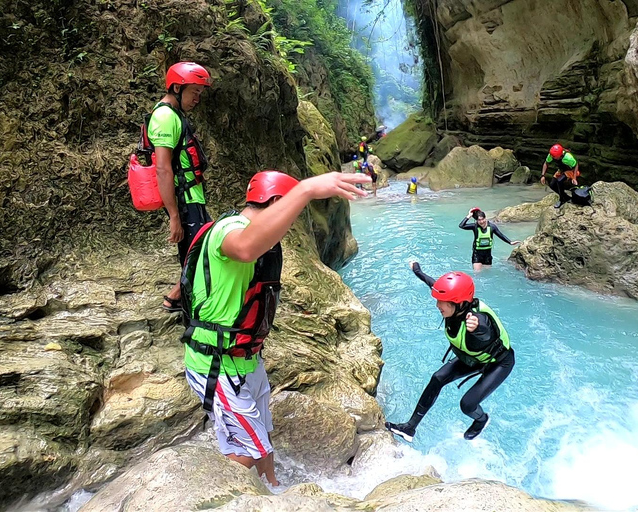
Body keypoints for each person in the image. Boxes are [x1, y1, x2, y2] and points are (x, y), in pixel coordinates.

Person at [182, 170, 370, 485]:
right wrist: (307, 190)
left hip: (243, 358)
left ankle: (271, 486)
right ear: (276, 202)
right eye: (288, 211)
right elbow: (244, 248)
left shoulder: (255, 235)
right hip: (215, 362)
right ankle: (214, 496)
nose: (288, 224)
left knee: (263, 431)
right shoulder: (230, 230)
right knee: (248, 449)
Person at [385, 262, 515, 442]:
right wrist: (417, 269)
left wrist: (477, 328)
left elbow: (485, 332)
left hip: (499, 362)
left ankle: (482, 420)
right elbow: (431, 282)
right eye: (438, 300)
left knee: (467, 405)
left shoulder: (477, 320)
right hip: (473, 358)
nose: (438, 305)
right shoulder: (455, 307)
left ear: (460, 303)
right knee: (437, 378)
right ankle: (409, 428)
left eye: (442, 302)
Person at [147, 62, 213, 312]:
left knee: (199, 248)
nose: (197, 99)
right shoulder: (165, 117)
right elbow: (162, 169)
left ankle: (178, 297)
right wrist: (174, 216)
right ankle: (182, 303)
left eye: (200, 94)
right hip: (185, 201)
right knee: (197, 252)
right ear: (177, 87)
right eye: (194, 92)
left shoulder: (174, 115)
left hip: (191, 196)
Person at [540, 144, 580, 208]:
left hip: (571, 170)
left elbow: (576, 165)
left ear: (559, 155)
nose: (552, 157)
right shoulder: (552, 155)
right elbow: (546, 163)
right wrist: (543, 176)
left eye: (554, 156)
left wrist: (574, 178)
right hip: (561, 170)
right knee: (552, 185)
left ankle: (561, 200)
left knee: (559, 181)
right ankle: (566, 197)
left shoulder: (568, 158)